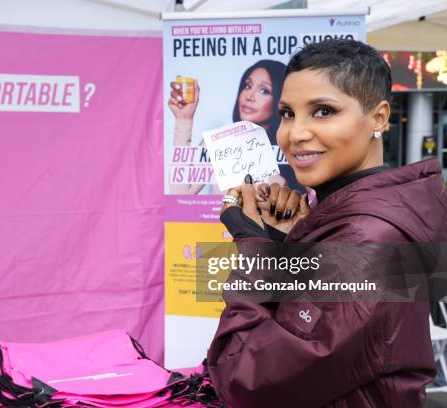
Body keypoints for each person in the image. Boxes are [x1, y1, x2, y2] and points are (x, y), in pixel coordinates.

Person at [207, 39, 447, 407]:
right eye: (288, 113)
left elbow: (244, 379)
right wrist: (288, 244)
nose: (295, 133)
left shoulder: (368, 238)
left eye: (323, 111)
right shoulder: (347, 216)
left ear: (379, 117)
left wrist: (257, 247)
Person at [168, 59, 304, 194]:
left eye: (264, 91)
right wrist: (184, 121)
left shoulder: (292, 148)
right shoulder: (219, 143)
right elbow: (180, 194)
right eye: (247, 86)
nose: (249, 96)